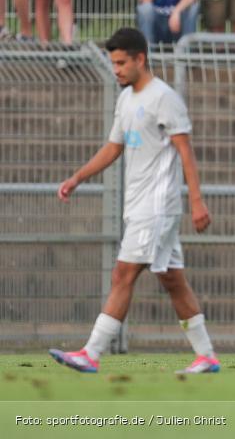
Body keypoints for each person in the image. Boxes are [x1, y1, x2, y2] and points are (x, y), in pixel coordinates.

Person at [49, 27, 216, 374]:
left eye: (122, 62)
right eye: (113, 63)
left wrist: (197, 202)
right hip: (138, 205)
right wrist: (77, 177)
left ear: (141, 59)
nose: (117, 69)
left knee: (123, 274)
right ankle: (207, 356)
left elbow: (185, 151)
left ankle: (91, 353)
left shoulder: (163, 97)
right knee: (172, 279)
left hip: (156, 207)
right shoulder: (126, 99)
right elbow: (114, 147)